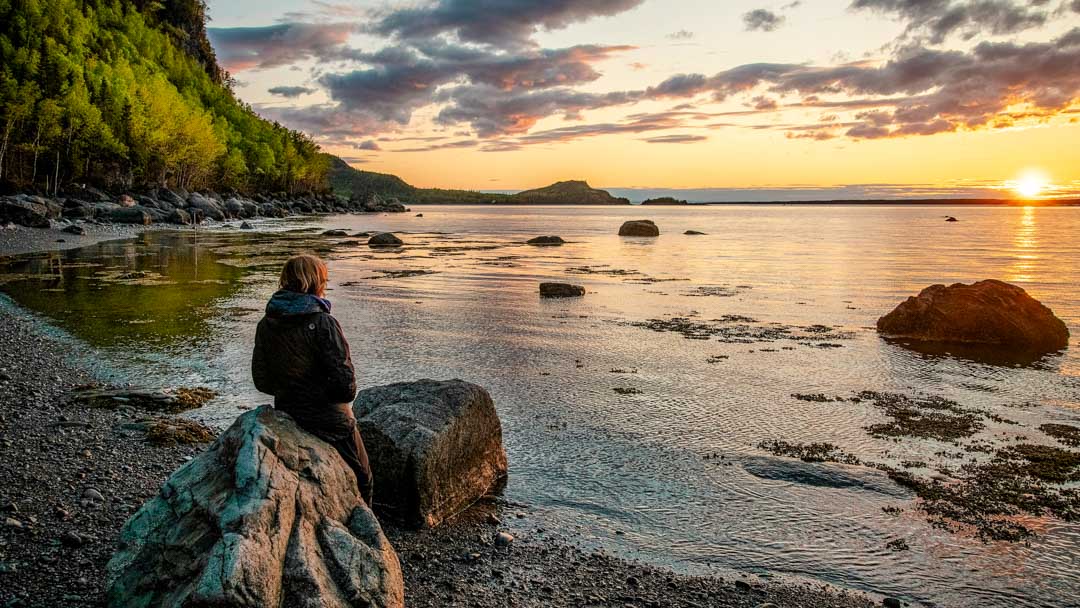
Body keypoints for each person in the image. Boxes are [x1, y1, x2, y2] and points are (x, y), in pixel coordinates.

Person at [251, 254, 373, 505]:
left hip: (287, 412)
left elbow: (261, 380)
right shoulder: (324, 323)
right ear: (315, 282)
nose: (325, 284)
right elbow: (346, 388)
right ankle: (366, 527)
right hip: (330, 420)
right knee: (363, 477)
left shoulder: (266, 323)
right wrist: (319, 396)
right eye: (324, 279)